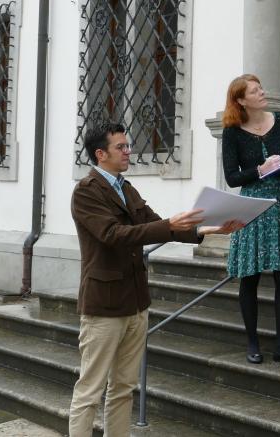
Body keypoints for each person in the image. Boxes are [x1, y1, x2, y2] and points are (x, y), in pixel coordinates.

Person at [68, 122, 242, 437]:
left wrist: (210, 229)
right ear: (100, 154)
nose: (127, 151)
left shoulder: (126, 187)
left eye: (127, 145)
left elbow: (154, 223)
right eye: (120, 147)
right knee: (90, 390)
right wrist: (169, 225)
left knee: (123, 387)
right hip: (103, 306)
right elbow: (112, 235)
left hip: (136, 302)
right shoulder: (86, 191)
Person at [221, 74, 280, 367]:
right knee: (250, 276)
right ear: (241, 100)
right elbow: (232, 177)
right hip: (252, 206)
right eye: (255, 91)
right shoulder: (232, 131)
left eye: (261, 88)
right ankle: (253, 342)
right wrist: (259, 169)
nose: (262, 93)